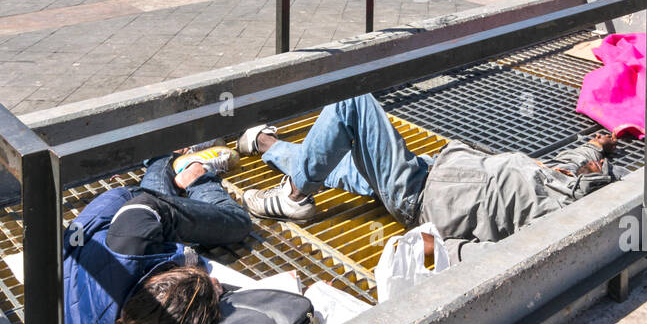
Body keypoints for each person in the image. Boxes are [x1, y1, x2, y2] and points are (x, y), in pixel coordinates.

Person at [233, 98, 620, 262]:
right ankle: (270, 144)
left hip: (419, 195)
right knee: (342, 160)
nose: (583, 166)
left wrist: (437, 248)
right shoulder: (570, 181)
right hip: (431, 168)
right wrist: (596, 148)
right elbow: (572, 164)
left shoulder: (559, 219)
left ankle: (296, 196)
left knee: (352, 101)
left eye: (591, 171)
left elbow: (505, 260)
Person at [62, 146, 251, 324]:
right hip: (94, 253)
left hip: (125, 209)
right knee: (166, 189)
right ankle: (168, 157)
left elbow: (150, 203)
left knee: (238, 224)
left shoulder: (132, 242)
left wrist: (199, 271)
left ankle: (193, 173)